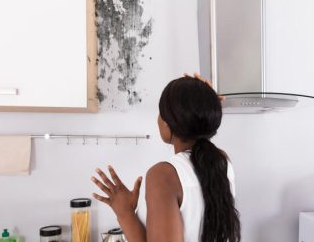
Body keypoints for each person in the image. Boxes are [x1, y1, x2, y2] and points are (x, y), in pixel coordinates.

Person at [91, 73, 241, 242]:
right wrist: (205, 103)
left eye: (160, 112)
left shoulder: (163, 175)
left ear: (168, 124)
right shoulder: (222, 162)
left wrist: (124, 213)